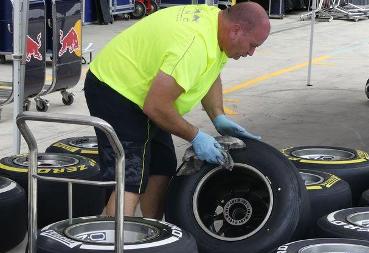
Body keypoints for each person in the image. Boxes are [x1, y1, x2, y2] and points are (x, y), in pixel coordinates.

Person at [84, 2, 271, 218]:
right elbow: (156, 106)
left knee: (162, 167)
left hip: (145, 92)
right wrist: (196, 136)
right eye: (252, 45)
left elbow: (209, 74)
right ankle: (110, 246)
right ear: (236, 30)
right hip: (116, 89)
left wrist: (218, 116)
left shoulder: (218, 25)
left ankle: (151, 231)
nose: (252, 52)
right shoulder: (194, 44)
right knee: (132, 177)